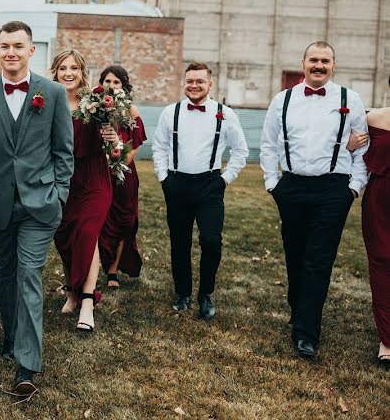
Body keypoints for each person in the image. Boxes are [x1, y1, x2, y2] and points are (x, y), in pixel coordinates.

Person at [0, 21, 74, 397]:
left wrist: (58, 194)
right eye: (4, 46)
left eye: (18, 46)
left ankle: (26, 365)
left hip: (41, 205)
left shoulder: (53, 93)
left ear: (31, 51)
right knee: (5, 273)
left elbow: (63, 153)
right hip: (0, 204)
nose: (11, 52)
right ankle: (11, 336)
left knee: (28, 274)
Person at [260, 42, 368, 359]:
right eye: (313, 60)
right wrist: (272, 183)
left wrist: (354, 187)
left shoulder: (351, 99)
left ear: (333, 64)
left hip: (333, 190)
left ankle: (306, 333)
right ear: (303, 63)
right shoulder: (283, 99)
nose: (319, 65)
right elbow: (268, 145)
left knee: (318, 260)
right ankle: (299, 311)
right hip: (291, 186)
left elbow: (362, 148)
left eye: (325, 60)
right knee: (295, 254)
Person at [151, 62, 248, 320]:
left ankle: (206, 293)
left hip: (210, 186)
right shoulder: (170, 113)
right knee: (179, 242)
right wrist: (164, 178)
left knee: (211, 240)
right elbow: (159, 147)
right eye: (190, 81)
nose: (194, 85)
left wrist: (225, 179)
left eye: (200, 81)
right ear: (184, 82)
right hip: (177, 184)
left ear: (210, 84)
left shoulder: (225, 114)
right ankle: (182, 293)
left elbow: (241, 151)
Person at [51, 51, 116, 332]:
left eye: (74, 68)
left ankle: (87, 302)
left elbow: (113, 131)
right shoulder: (46, 103)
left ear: (82, 71)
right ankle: (71, 292)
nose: (68, 73)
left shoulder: (96, 102)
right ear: (55, 72)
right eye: (63, 68)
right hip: (62, 180)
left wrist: (112, 134)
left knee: (88, 235)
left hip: (93, 178)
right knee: (65, 237)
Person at [97, 66, 147, 288]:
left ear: (124, 87)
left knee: (124, 222)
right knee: (99, 221)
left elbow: (131, 152)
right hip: (97, 174)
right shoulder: (94, 111)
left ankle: (113, 270)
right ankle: (95, 263)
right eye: (107, 81)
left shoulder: (132, 114)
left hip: (124, 176)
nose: (111, 86)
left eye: (116, 82)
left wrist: (116, 155)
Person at [360, 78, 390, 367]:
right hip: (380, 199)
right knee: (381, 263)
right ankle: (387, 339)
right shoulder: (373, 118)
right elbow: (356, 153)